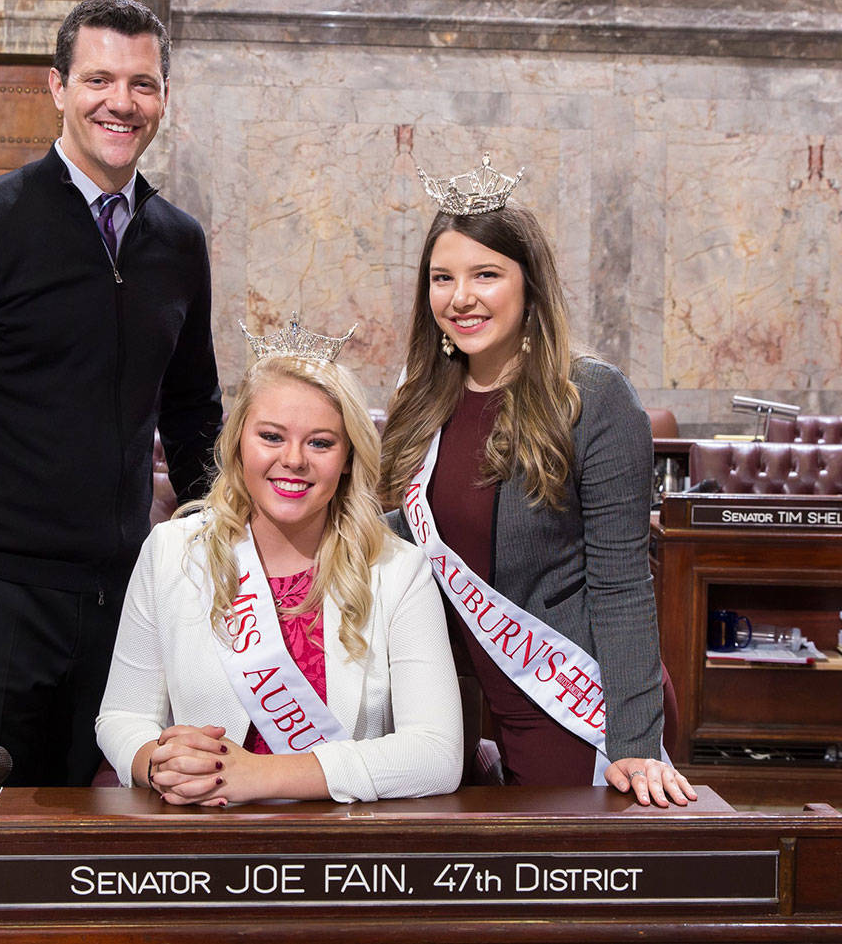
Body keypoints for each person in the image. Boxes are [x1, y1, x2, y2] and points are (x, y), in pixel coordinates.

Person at [0, 0, 223, 788]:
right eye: (98, 79)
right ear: (56, 87)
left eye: (143, 84)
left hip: (122, 599)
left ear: (164, 97)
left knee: (103, 838)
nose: (120, 103)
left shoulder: (178, 242)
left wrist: (225, 550)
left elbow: (196, 413)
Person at [378, 155, 695, 807]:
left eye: (485, 274)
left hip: (580, 702)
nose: (460, 296)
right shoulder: (421, 404)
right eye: (443, 278)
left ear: (530, 286)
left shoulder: (593, 397)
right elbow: (408, 543)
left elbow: (623, 582)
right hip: (471, 699)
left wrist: (634, 742)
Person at [96, 325, 462, 805]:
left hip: (343, 851)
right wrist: (156, 760)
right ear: (238, 443)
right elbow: (121, 716)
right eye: (271, 436)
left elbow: (436, 755)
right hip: (203, 839)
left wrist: (257, 776)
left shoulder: (398, 570)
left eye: (320, 443)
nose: (293, 460)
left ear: (349, 456)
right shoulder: (172, 552)